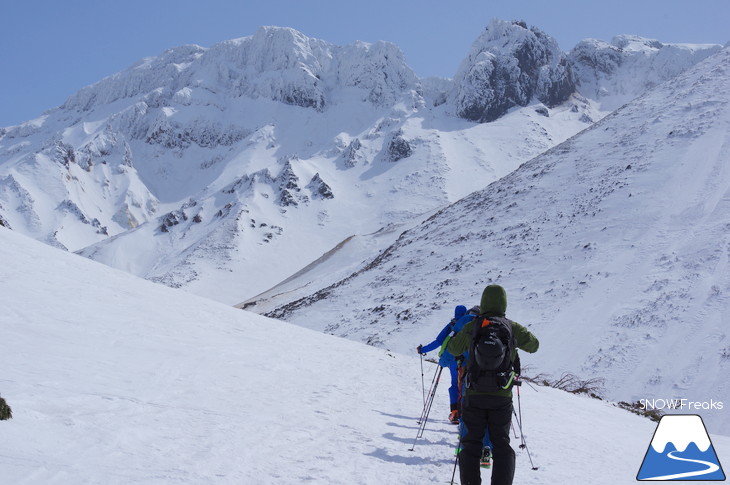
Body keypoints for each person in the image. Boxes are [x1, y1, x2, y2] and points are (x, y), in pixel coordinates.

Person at [447, 284, 539, 485]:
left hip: (474, 394)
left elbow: (453, 349)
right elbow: (534, 346)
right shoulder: (511, 327)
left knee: (470, 444)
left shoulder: (474, 325)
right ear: (504, 302)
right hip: (501, 396)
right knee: (501, 445)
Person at [417, 305, 467, 423]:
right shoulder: (470, 324)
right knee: (466, 386)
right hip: (467, 360)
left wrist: (422, 350)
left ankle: (455, 412)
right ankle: (467, 413)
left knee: (455, 384)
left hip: (453, 360)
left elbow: (438, 342)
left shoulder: (451, 326)